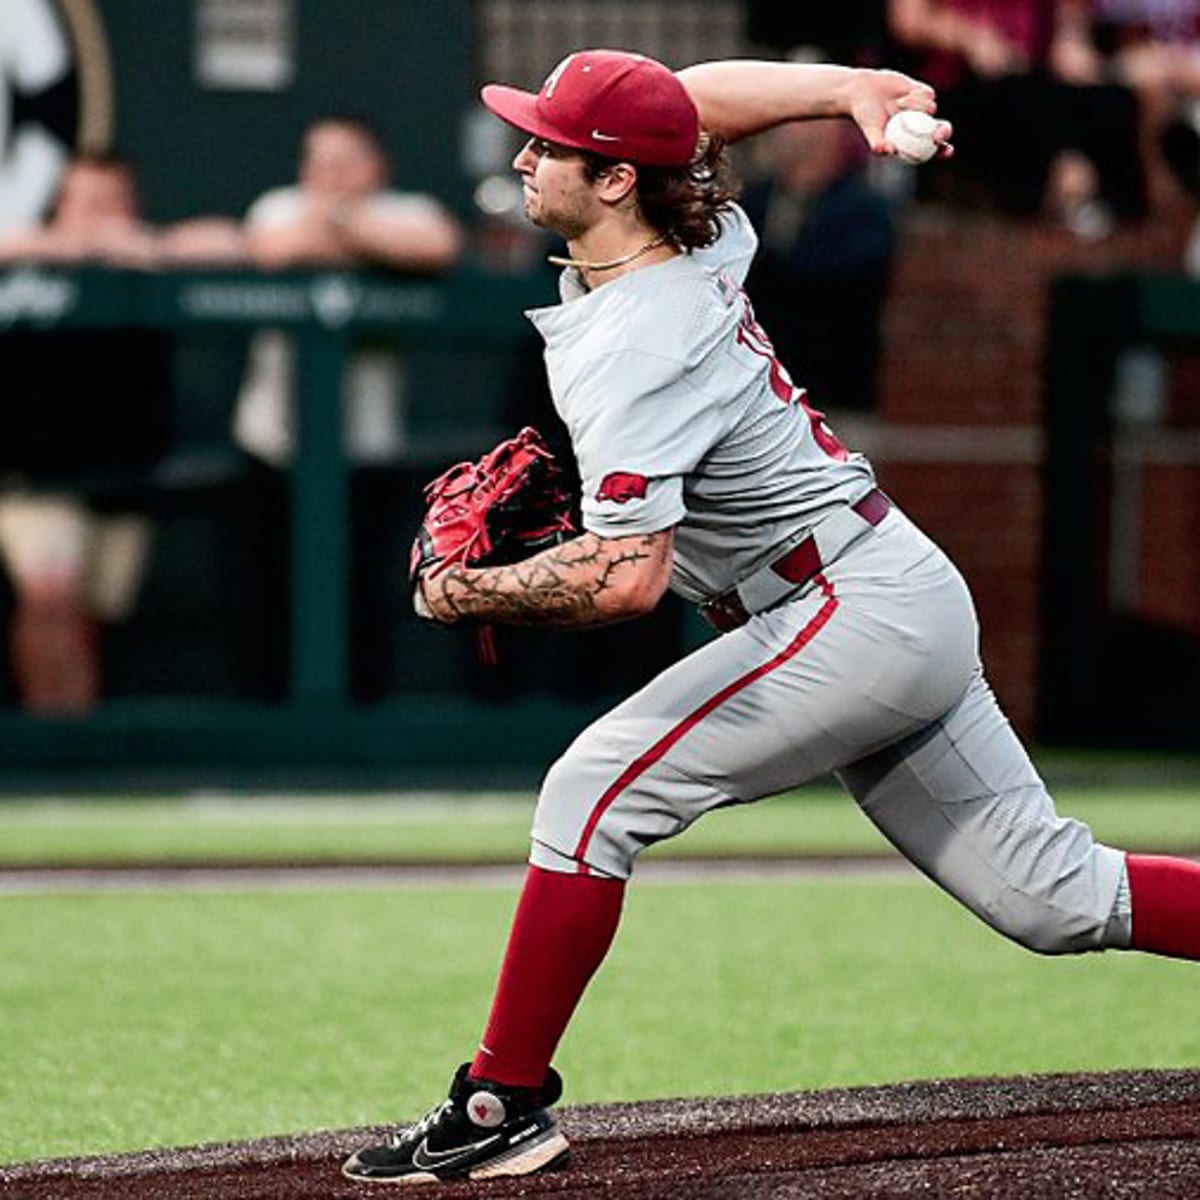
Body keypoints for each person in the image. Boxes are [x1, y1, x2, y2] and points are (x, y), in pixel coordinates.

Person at [342, 50, 1200, 1186]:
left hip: (841, 608)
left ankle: (502, 1098)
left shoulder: (640, 340)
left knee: (590, 793)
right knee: (1054, 897)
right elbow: (685, 104)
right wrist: (849, 87)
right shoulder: (689, 234)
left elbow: (628, 582)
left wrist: (461, 590)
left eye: (551, 142)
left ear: (613, 184)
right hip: (883, 584)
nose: (523, 153)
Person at [0, 152, 241, 714]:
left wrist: (143, 248)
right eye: (86, 203)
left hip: (122, 477)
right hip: (36, 479)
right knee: (49, 598)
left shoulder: (145, 256)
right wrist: (77, 244)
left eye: (111, 204)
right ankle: (60, 742)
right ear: (60, 205)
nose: (98, 217)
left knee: (89, 617)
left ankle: (78, 734)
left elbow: (233, 243)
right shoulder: (30, 255)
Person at [233, 114, 463, 468]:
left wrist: (340, 220)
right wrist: (375, 245)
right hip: (274, 434)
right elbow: (272, 249)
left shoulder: (407, 209)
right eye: (319, 161)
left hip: (371, 437)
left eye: (344, 161)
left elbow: (437, 246)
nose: (330, 173)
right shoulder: (279, 205)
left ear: (377, 165)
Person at [886, 0, 1147, 229]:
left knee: (1113, 99)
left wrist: (1070, 42)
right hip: (952, 85)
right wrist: (972, 40)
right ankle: (1037, 206)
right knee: (1022, 99)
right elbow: (908, 21)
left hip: (1032, 75)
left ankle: (1117, 218)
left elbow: (1068, 19)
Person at [740, 118, 896, 412]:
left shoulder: (863, 209)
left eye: (800, 122)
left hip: (834, 393)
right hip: (756, 400)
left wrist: (769, 268)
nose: (786, 133)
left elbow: (837, 282)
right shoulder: (756, 200)